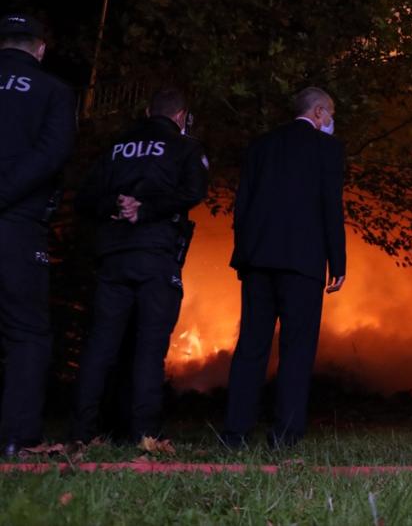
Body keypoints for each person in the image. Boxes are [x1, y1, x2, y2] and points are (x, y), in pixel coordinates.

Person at [71, 88, 208, 443]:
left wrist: (115, 206)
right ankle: (143, 434)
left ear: (149, 111)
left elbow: (83, 196)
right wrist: (145, 210)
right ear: (180, 116)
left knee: (101, 346)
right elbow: (194, 191)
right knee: (150, 348)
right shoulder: (185, 147)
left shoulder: (116, 147)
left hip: (113, 257)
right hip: (155, 255)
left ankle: (82, 432)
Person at [223, 86, 346, 448]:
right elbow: (330, 209)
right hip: (304, 263)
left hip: (258, 260)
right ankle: (285, 435)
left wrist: (243, 255)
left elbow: (242, 205)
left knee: (251, 346)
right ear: (320, 112)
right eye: (331, 113)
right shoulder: (327, 149)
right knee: (296, 349)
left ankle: (235, 434)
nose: (332, 121)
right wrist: (337, 263)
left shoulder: (261, 146)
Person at [0, 14, 76, 457]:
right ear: (41, 48)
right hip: (18, 225)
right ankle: (17, 439)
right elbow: (53, 153)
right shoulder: (52, 91)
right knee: (26, 332)